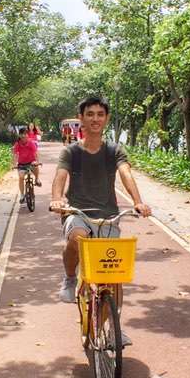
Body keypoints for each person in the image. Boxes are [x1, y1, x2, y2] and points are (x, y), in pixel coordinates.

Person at [49, 96, 152, 312]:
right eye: (90, 114)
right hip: (77, 212)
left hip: (108, 216)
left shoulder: (115, 150)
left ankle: (111, 326)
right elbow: (60, 175)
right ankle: (70, 278)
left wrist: (138, 202)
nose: (95, 119)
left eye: (100, 114)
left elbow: (126, 173)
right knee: (77, 238)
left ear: (106, 118)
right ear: (81, 118)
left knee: (112, 281)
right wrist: (57, 198)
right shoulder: (71, 151)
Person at [12, 126, 40, 201]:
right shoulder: (17, 144)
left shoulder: (31, 143)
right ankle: (22, 195)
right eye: (21, 134)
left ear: (28, 135)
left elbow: (36, 153)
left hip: (31, 162)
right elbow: (15, 155)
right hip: (21, 164)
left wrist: (37, 161)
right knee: (21, 177)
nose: (23, 136)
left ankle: (37, 179)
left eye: (25, 134)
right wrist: (14, 164)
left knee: (35, 166)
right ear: (19, 135)